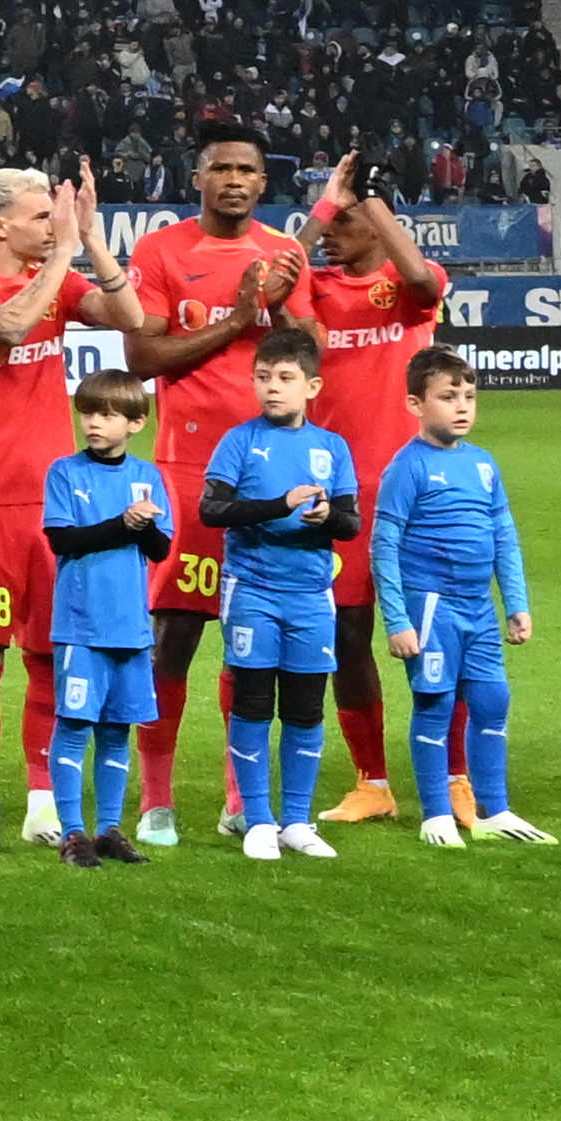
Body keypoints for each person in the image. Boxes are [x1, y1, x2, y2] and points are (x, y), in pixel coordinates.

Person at [0, 162, 131, 858]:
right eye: (41, 215)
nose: (51, 225)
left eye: (54, 215)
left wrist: (93, 240)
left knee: (50, 653)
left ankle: (41, 800)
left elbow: (130, 319)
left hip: (55, 503)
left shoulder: (61, 276)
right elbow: (9, 328)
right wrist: (64, 258)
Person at [114, 118, 308, 840]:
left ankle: (238, 797)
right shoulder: (163, 250)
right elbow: (141, 356)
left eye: (246, 171)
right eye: (220, 169)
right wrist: (237, 320)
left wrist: (280, 305)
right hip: (188, 471)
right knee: (172, 637)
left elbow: (312, 352)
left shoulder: (283, 254)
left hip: (274, 471)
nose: (233, 180)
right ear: (195, 178)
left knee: (251, 639)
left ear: (263, 182)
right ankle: (156, 798)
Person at [293, 175, 450, 825]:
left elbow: (420, 282)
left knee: (440, 636)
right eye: (326, 223)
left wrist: (374, 200)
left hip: (418, 490)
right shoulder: (315, 288)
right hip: (341, 495)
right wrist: (329, 201)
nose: (328, 232)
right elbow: (271, 268)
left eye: (342, 222)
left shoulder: (409, 288)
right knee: (347, 633)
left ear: (379, 222)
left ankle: (457, 778)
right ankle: (372, 783)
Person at [194, 327, 362, 863]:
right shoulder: (239, 441)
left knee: (306, 707)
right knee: (252, 701)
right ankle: (258, 819)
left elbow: (352, 523)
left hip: (312, 594)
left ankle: (296, 820)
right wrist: (277, 504)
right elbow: (211, 511)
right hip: (253, 590)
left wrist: (325, 516)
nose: (272, 388)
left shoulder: (332, 447)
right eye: (263, 378)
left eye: (285, 379)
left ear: (312, 386)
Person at [372, 352, 544, 844]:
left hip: (478, 609)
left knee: (493, 700)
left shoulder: (483, 464)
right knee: (436, 703)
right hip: (431, 608)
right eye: (448, 398)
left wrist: (516, 603)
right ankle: (435, 815)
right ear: (415, 404)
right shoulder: (407, 468)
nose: (462, 407)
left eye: (469, 397)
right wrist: (397, 620)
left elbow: (504, 536)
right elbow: (383, 546)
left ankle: (494, 810)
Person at [30, 369, 172, 865]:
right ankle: (73, 833)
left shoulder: (148, 477)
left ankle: (109, 828)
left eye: (107, 414)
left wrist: (145, 523)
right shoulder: (65, 473)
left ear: (135, 422)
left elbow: (160, 548)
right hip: (81, 626)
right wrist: (123, 523)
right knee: (74, 723)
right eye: (88, 412)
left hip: (130, 627)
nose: (94, 422)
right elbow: (62, 540)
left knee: (117, 728)